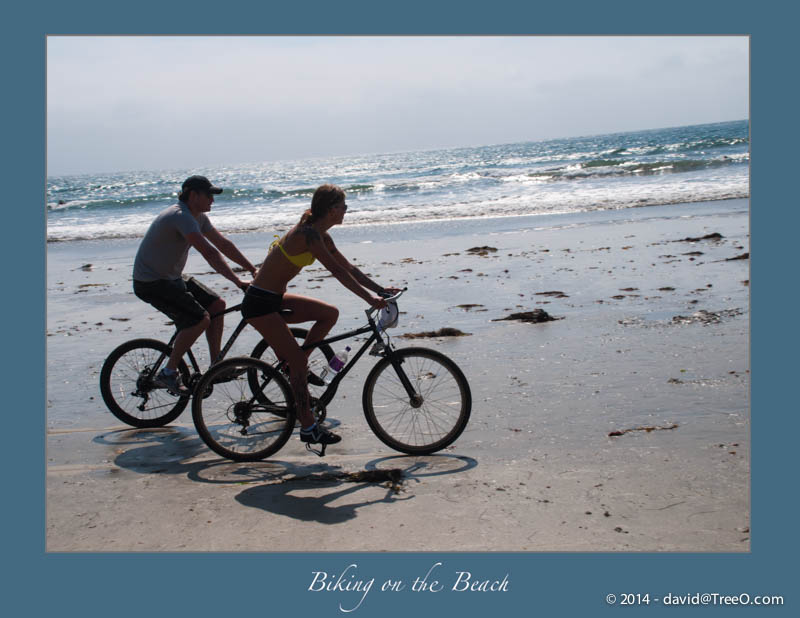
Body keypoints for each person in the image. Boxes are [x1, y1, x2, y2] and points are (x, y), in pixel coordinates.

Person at [242, 184, 397, 451]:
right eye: (344, 207)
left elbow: (349, 267)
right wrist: (369, 300)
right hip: (260, 304)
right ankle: (308, 427)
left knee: (329, 314)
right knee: (300, 363)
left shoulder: (322, 236)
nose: (346, 212)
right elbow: (337, 272)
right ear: (331, 209)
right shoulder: (309, 234)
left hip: (275, 299)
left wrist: (379, 289)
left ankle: (295, 364)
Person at [133, 175, 257, 395]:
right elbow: (209, 252)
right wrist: (237, 281)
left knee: (217, 305)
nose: (212, 200)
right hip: (151, 282)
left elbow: (222, 244)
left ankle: (216, 367)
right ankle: (168, 372)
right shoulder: (180, 216)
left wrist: (252, 269)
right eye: (208, 195)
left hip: (172, 277)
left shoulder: (197, 216)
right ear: (193, 195)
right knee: (198, 320)